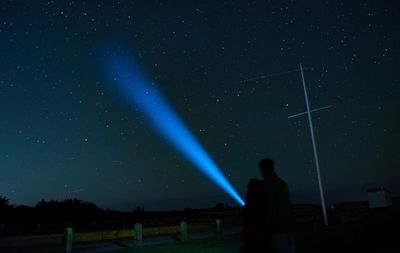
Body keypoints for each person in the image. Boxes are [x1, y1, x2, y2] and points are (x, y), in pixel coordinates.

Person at [241, 159, 295, 253]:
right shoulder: (282, 183)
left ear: (262, 169)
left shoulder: (267, 185)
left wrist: (266, 230)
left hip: (276, 232)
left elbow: (271, 209)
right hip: (288, 231)